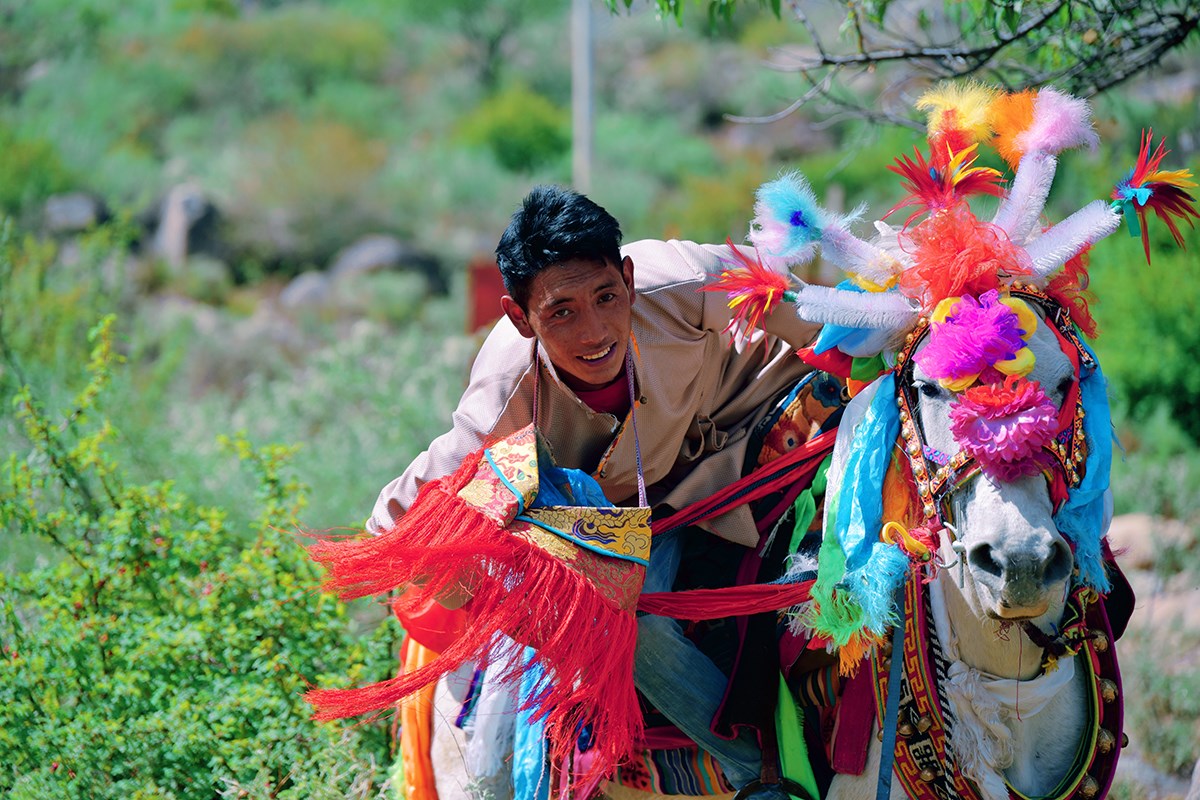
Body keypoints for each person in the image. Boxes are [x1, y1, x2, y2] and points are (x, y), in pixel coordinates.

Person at [370, 185, 819, 798]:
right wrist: (519, 605)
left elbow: (812, 316)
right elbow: (394, 521)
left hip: (756, 423)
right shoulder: (504, 396)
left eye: (607, 297)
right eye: (562, 312)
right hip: (629, 518)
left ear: (629, 279)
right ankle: (755, 774)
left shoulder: (681, 277)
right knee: (622, 620)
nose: (595, 331)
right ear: (519, 317)